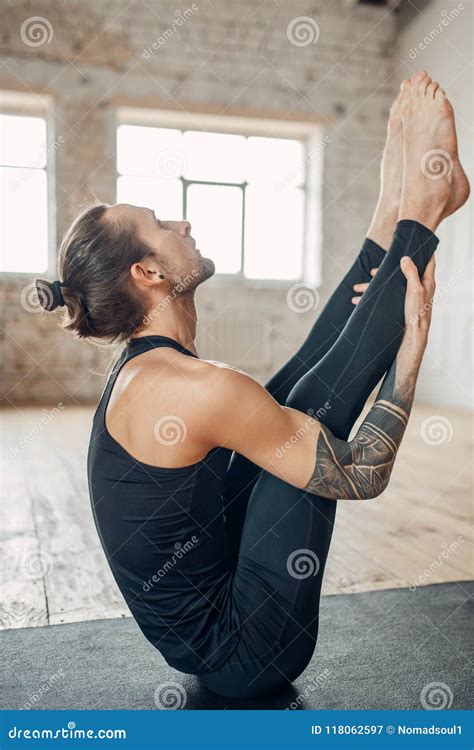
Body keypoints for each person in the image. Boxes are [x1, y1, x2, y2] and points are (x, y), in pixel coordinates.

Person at [36, 71, 469, 698]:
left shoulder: (154, 371)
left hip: (222, 619)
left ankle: (400, 207)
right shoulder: (185, 388)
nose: (182, 223)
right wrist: (410, 352)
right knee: (302, 412)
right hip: (252, 653)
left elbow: (295, 384)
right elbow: (362, 472)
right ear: (149, 271)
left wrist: (387, 205)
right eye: (162, 222)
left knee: (286, 403)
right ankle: (425, 207)